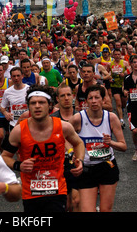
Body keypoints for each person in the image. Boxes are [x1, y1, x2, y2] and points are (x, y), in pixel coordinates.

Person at [2, 85, 84, 213]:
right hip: (31, 192)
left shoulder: (63, 127)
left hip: (57, 189)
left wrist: (79, 160)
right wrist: (19, 165)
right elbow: (4, 156)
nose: (37, 106)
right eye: (33, 103)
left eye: (42, 102)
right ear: (28, 106)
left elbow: (78, 143)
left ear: (50, 105)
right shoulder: (18, 131)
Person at [70, 84, 127, 212]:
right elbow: (64, 139)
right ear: (86, 101)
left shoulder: (111, 118)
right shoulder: (78, 118)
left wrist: (110, 142)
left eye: (97, 97)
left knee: (105, 210)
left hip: (107, 167)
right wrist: (71, 153)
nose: (94, 101)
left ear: (103, 100)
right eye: (90, 98)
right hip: (86, 169)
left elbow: (123, 146)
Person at [51, 83, 80, 212]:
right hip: (59, 167)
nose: (66, 98)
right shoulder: (51, 119)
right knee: (66, 205)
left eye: (69, 95)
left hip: (77, 165)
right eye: (62, 95)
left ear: (73, 96)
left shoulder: (81, 116)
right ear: (57, 99)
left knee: (76, 201)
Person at [0, 67, 29, 131]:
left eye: (18, 76)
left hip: (28, 123)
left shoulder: (29, 89)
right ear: (11, 77)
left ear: (22, 76)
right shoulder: (7, 92)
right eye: (14, 76)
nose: (16, 78)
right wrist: (6, 113)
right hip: (14, 124)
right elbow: (2, 107)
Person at [109, 49, 129, 128]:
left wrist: (124, 74)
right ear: (113, 55)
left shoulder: (124, 63)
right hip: (114, 86)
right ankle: (121, 120)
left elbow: (129, 72)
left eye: (118, 54)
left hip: (123, 85)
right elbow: (107, 73)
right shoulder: (110, 64)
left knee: (123, 103)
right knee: (118, 103)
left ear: (120, 55)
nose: (117, 56)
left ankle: (122, 111)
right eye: (115, 54)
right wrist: (110, 79)